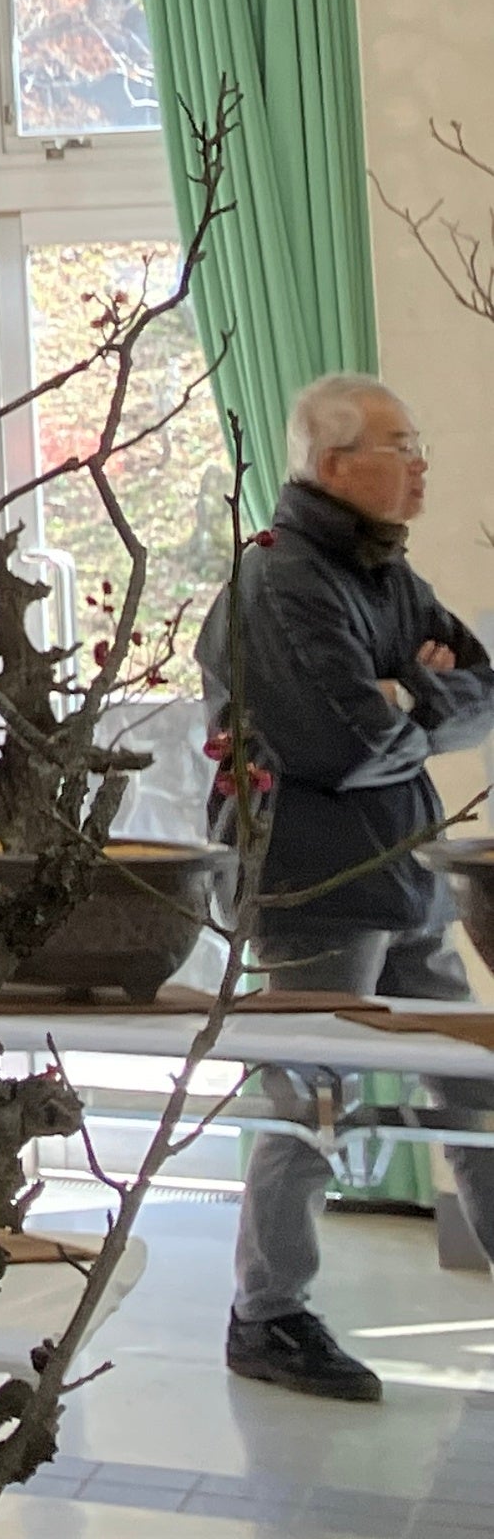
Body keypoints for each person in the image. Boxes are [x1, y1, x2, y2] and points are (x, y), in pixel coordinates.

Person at [198, 372, 494, 1402]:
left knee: (475, 1088)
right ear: (332, 465)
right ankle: (266, 1318)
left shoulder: (383, 570)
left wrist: (413, 691)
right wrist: (414, 693)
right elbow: (349, 740)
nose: (421, 466)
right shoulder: (280, 582)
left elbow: (483, 691)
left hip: (403, 870)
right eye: (400, 445)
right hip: (312, 883)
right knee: (308, 1109)